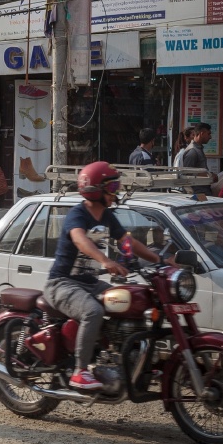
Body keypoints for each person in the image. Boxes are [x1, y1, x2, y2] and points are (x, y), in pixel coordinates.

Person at [42, 161, 164, 391]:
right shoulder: (78, 214)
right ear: (96, 189)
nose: (116, 191)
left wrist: (159, 261)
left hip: (89, 284)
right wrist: (105, 261)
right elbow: (80, 239)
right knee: (93, 311)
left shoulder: (106, 216)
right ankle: (79, 371)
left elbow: (127, 242)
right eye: (113, 186)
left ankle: (123, 361)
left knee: (130, 301)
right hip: (61, 283)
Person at [178, 121, 213, 196]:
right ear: (202, 133)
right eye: (208, 134)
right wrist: (208, 175)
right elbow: (187, 174)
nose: (210, 137)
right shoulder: (193, 151)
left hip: (202, 191)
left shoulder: (198, 149)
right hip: (196, 194)